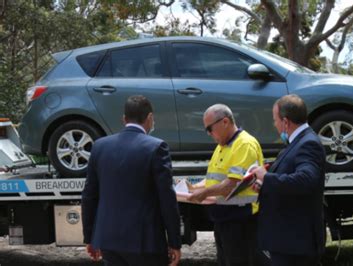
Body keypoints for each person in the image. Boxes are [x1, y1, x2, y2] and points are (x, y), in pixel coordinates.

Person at [81, 95, 181, 266]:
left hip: (109, 239)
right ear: (149, 118)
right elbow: (167, 199)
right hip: (145, 241)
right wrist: (174, 242)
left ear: (124, 119)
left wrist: (90, 237)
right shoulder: (156, 147)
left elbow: (89, 196)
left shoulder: (100, 146)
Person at [250, 94, 326, 266]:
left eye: (275, 120)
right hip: (288, 241)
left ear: (285, 122)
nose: (274, 124)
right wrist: (263, 184)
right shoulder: (297, 142)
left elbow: (306, 180)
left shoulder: (308, 143)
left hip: (295, 244)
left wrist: (267, 178)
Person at [188, 104, 264, 266]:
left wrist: (204, 193)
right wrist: (194, 188)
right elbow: (214, 179)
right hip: (224, 219)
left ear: (224, 122)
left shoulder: (244, 144)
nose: (209, 133)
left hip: (241, 221)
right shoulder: (223, 146)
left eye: (210, 128)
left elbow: (232, 183)